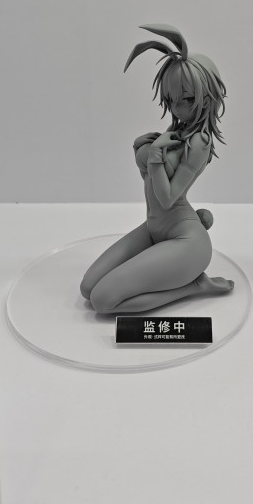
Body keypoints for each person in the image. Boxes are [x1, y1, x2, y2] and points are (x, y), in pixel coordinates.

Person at [81, 24, 234, 313]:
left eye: (187, 99)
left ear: (207, 97)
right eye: (171, 100)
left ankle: (194, 286)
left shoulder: (199, 142)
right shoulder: (176, 133)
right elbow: (149, 181)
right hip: (155, 228)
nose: (177, 108)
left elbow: (167, 198)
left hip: (186, 242)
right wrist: (141, 149)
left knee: (102, 301)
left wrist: (153, 155)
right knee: (87, 288)